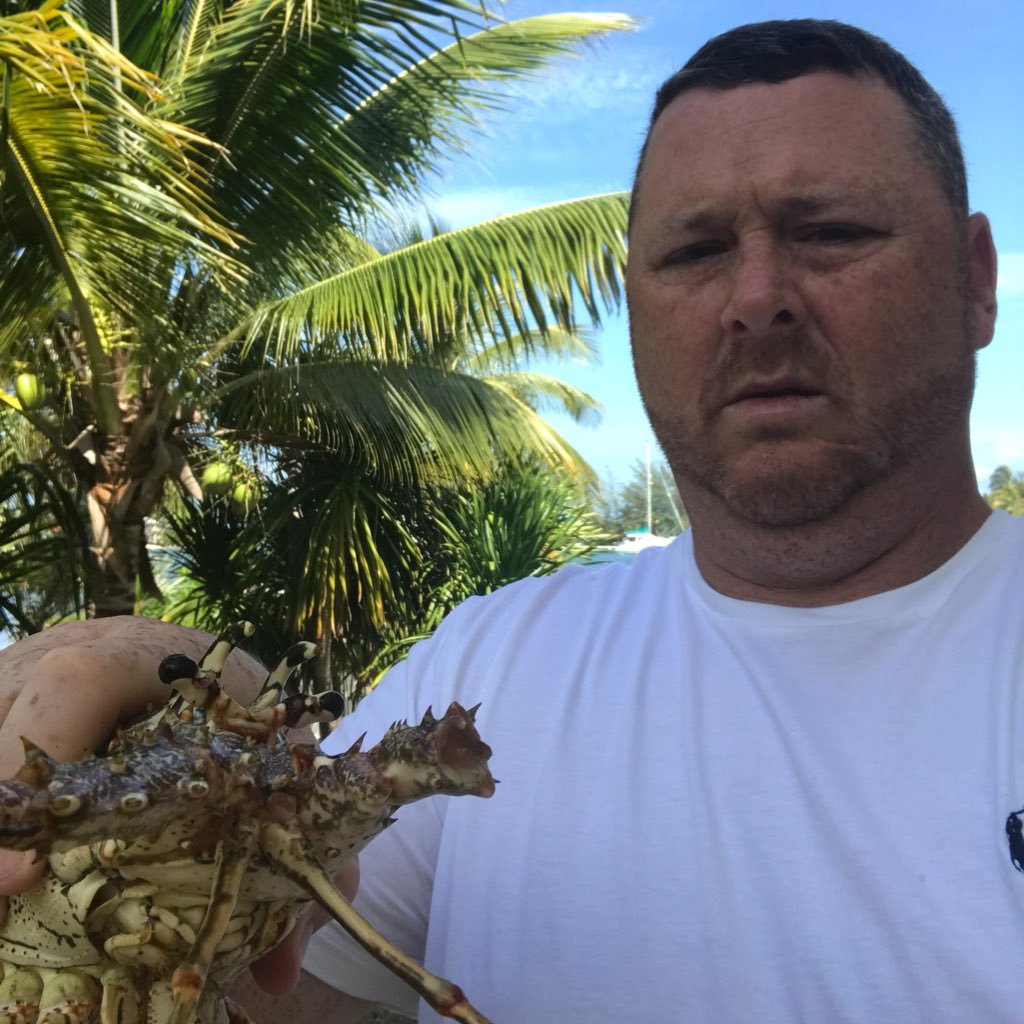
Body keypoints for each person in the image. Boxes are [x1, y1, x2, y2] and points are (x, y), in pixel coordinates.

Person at [0, 16, 1017, 1022]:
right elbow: (278, 986)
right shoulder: (492, 664)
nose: (755, 298)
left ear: (974, 282)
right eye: (694, 250)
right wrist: (171, 667)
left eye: (830, 232)